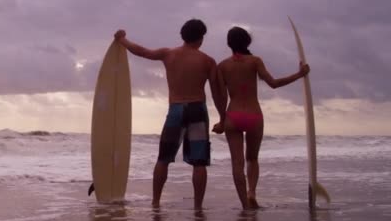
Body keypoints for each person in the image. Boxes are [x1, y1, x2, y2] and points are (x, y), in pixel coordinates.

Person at [114, 19, 226, 209]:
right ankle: (198, 207)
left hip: (176, 109)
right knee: (199, 162)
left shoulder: (168, 54)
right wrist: (223, 118)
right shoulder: (207, 61)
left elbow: (142, 51)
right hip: (197, 109)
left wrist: (123, 40)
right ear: (201, 38)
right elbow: (217, 92)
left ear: (183, 35)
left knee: (163, 158)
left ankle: (155, 202)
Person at [213, 26, 309, 209]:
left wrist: (221, 119)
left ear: (229, 44)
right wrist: (300, 74)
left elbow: (220, 96)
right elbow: (273, 83)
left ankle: (244, 205)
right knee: (252, 159)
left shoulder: (222, 66)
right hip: (253, 115)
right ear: (247, 42)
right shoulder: (255, 61)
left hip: (232, 115)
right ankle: (252, 193)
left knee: (237, 163)